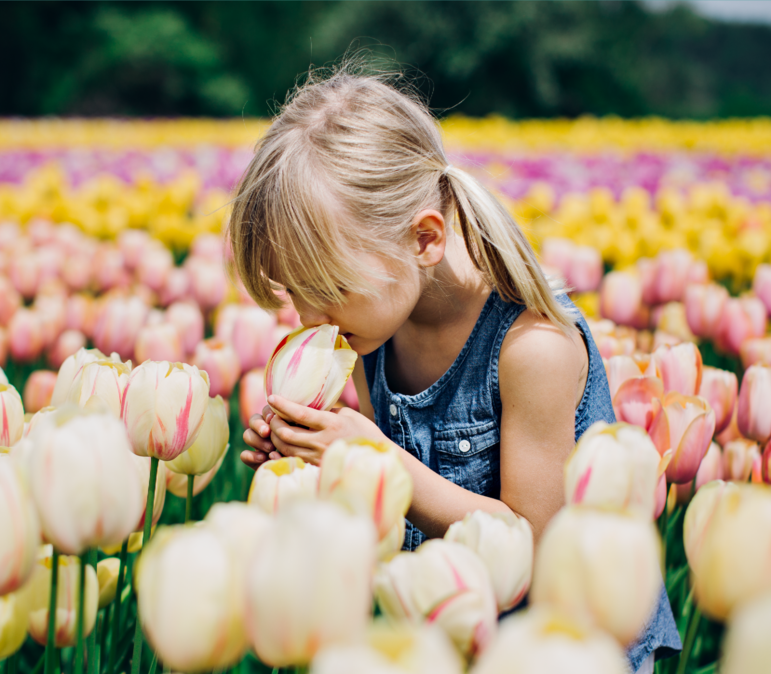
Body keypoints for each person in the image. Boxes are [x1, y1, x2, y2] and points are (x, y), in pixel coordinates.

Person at [230, 63, 680, 671]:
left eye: (329, 286)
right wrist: (307, 458)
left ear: (423, 240)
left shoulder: (532, 347)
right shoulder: (371, 330)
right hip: (449, 629)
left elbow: (536, 544)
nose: (311, 318)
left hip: (565, 645)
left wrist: (376, 461)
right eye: (294, 291)